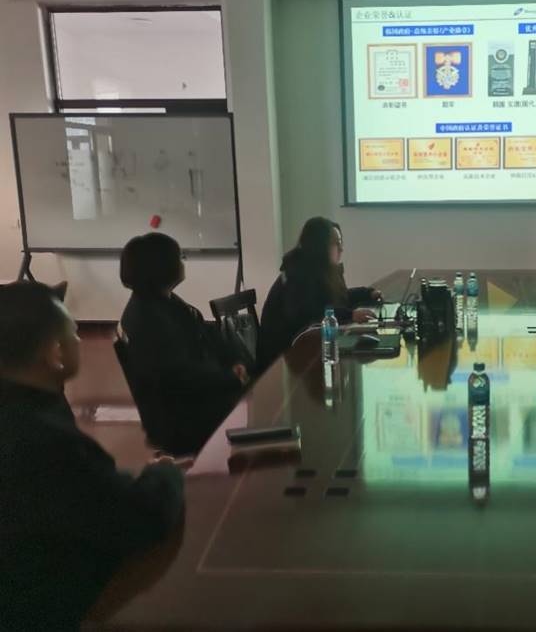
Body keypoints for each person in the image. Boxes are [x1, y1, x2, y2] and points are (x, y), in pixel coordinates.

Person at [0, 282, 184, 629]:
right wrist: (164, 473)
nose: (79, 340)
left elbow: (84, 492)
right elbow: (140, 517)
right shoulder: (44, 440)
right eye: (73, 332)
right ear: (55, 353)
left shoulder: (26, 406)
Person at [119, 233, 249, 456]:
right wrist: (231, 378)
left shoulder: (163, 301)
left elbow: (206, 331)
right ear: (161, 266)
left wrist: (234, 361)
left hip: (195, 397)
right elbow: (180, 377)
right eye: (179, 257)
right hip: (184, 415)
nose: (182, 262)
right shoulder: (147, 319)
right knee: (262, 405)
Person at [257, 217, 379, 371]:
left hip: (305, 348)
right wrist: (350, 315)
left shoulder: (320, 268)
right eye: (336, 243)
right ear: (320, 246)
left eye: (341, 242)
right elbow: (309, 313)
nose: (341, 249)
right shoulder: (298, 273)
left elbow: (337, 299)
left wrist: (366, 293)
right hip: (283, 359)